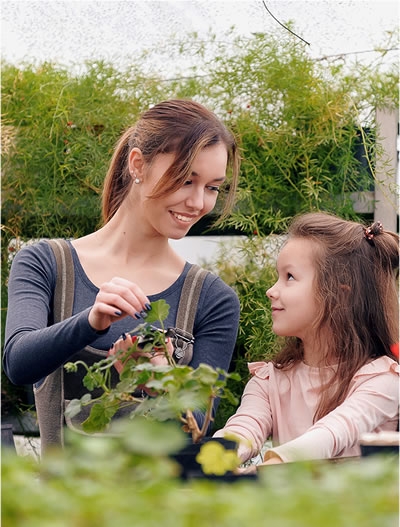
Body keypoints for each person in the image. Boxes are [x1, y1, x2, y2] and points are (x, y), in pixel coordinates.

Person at [3, 99, 241, 450]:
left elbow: (197, 425)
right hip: (63, 502)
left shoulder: (212, 298)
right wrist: (91, 321)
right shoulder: (45, 263)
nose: (198, 203)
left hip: (164, 501)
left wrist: (161, 375)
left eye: (212, 187)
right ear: (137, 164)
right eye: (186, 180)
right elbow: (19, 362)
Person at [214, 212, 399, 466]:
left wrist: (275, 464)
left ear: (340, 294)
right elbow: (245, 427)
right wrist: (218, 455)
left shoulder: (382, 379)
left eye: (289, 277)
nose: (271, 290)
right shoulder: (269, 381)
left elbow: (334, 432)